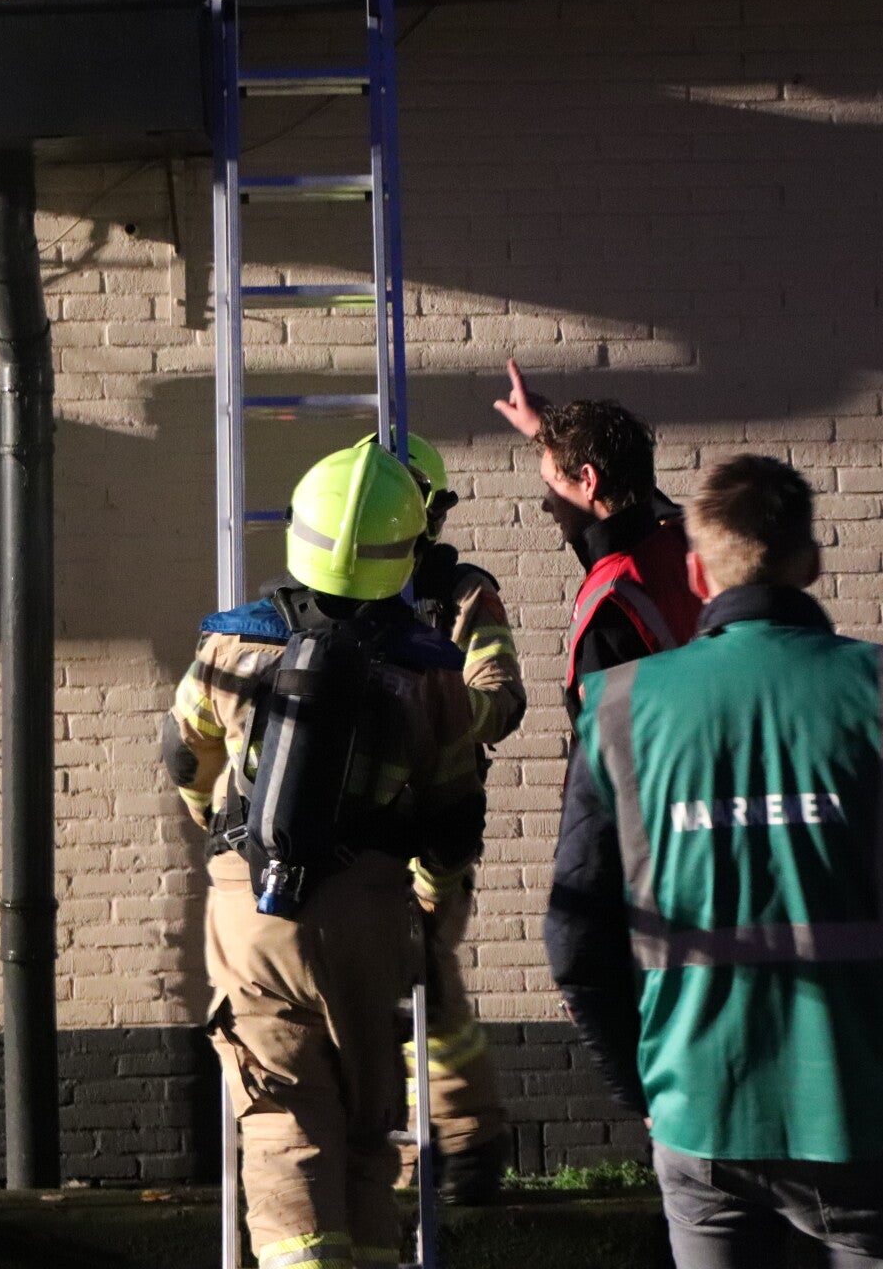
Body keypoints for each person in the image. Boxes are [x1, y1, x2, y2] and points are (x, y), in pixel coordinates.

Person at [545, 454, 883, 1268]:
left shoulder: (619, 706)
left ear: (696, 572)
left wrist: (645, 1089)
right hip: (871, 1106)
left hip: (699, 1108)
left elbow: (575, 940)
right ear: (811, 562)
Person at [162, 442, 487, 1269]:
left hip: (252, 910)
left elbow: (184, 755)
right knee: (370, 1128)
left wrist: (223, 836)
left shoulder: (231, 646)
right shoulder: (430, 672)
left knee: (283, 1118)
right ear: (406, 546)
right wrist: (429, 898)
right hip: (371, 914)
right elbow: (454, 815)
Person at [353, 433, 525, 1204]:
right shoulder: (340, 591)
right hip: (356, 832)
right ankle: (451, 1146)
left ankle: (459, 1147)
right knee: (402, 985)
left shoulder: (462, 595)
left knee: (423, 979)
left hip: (433, 830)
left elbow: (501, 699)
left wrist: (432, 706)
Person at [492, 361, 701, 722]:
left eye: (551, 485)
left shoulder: (610, 606)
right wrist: (549, 436)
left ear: (589, 481)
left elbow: (610, 748)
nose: (546, 503)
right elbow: (636, 503)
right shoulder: (681, 540)